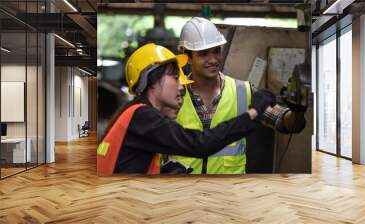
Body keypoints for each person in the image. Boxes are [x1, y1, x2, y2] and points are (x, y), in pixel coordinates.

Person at [97, 43, 276, 175]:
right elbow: (201, 144)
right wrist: (253, 113)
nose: (181, 86)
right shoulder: (143, 117)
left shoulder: (136, 114)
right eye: (175, 77)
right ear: (150, 80)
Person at [166, 17, 306, 174]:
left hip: (230, 193)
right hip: (183, 191)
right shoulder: (173, 94)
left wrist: (297, 108)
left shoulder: (243, 91)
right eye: (203, 54)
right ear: (187, 57)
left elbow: (284, 122)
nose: (213, 59)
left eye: (216, 51)